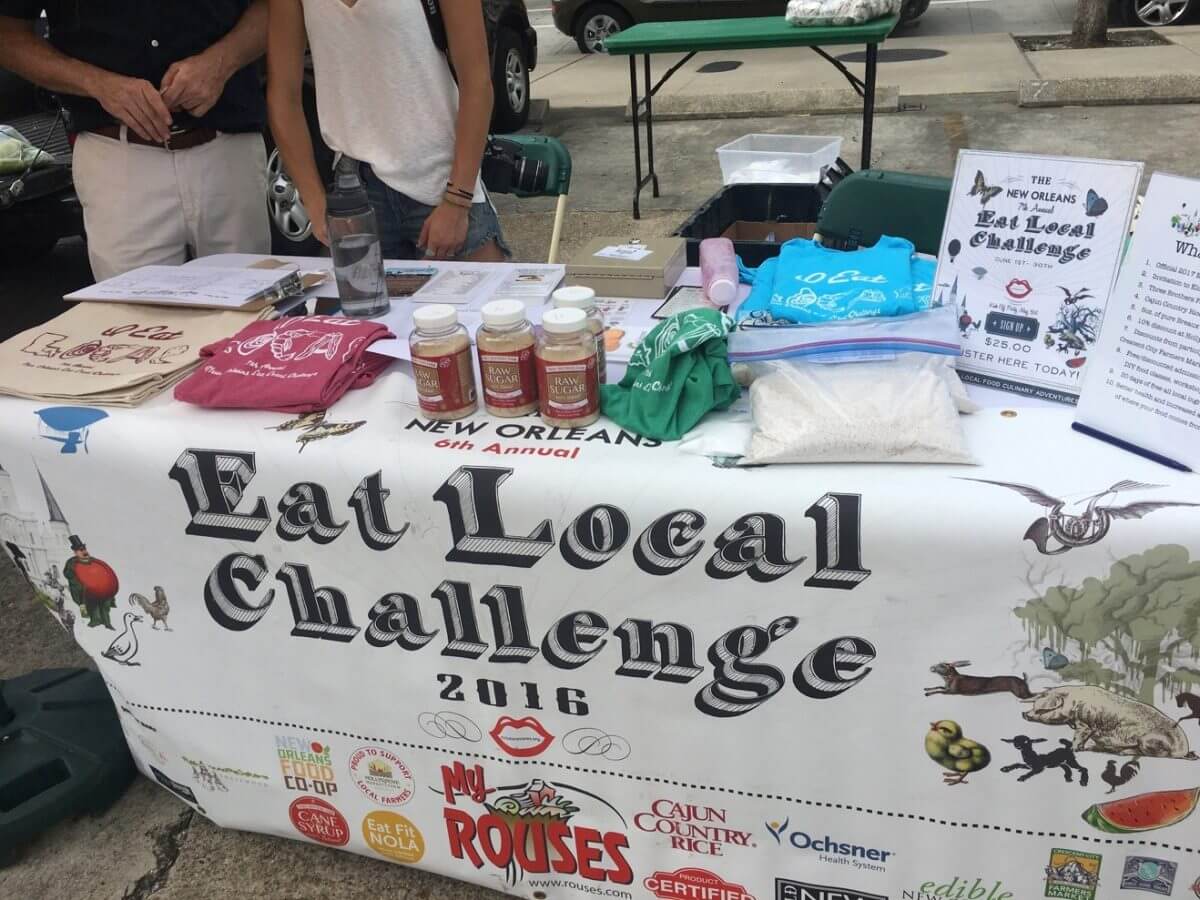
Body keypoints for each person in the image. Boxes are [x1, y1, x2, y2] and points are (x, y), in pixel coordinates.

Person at [0, 2, 271, 280]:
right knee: (135, 308)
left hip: (228, 150)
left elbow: (277, 8)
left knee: (251, 303)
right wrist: (98, 83)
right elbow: (8, 34)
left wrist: (221, 62)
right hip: (118, 160)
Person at [267, 0, 509, 261]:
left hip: (442, 180)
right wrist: (313, 200)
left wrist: (458, 199)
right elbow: (282, 96)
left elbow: (477, 83)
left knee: (478, 288)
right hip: (356, 190)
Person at [63, 535, 117, 630]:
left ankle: (107, 623)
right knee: (93, 608)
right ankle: (95, 622)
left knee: (104, 607)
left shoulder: (94, 560)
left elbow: (104, 570)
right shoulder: (72, 563)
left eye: (84, 549)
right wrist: (81, 581)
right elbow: (68, 574)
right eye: (81, 550)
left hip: (101, 590)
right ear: (75, 552)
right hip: (85, 592)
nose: (84, 552)